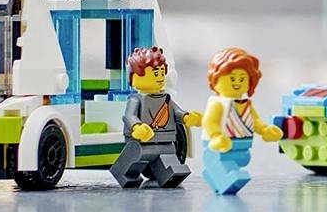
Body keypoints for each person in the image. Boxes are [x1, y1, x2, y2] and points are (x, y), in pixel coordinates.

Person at [195, 48, 281, 197]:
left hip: (241, 144)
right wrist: (216, 136)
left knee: (237, 163)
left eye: (242, 79)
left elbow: (254, 120)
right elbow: (209, 122)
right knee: (227, 167)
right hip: (219, 145)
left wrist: (265, 130)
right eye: (232, 78)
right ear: (216, 79)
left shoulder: (245, 103)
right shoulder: (218, 104)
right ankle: (223, 178)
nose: (237, 83)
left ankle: (219, 179)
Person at [112, 47, 189, 190]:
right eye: (155, 73)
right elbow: (129, 116)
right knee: (134, 159)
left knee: (172, 166)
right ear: (135, 76)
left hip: (165, 141)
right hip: (140, 143)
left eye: (162, 72)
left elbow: (176, 112)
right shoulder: (136, 99)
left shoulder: (166, 98)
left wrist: (186, 117)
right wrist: (137, 126)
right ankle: (126, 174)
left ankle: (165, 175)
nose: (160, 77)